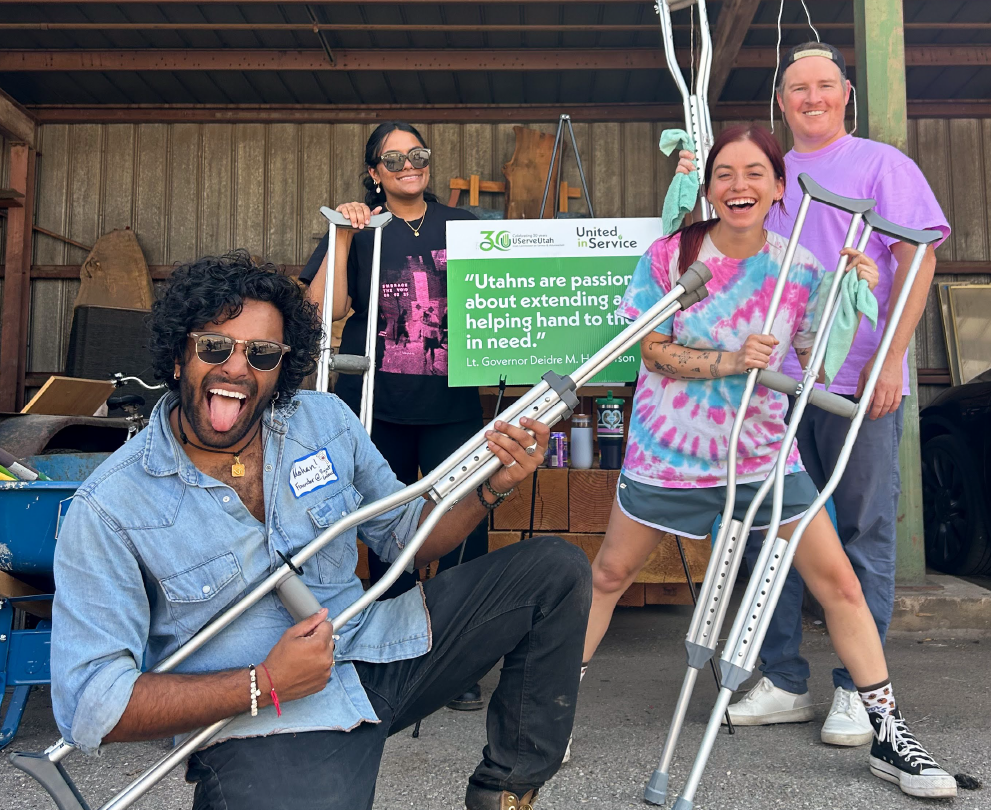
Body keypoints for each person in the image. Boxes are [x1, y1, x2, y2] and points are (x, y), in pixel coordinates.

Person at [50, 252, 590, 810]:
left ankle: (505, 793)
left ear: (283, 365)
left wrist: (489, 487)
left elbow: (406, 534)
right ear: (178, 353)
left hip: (377, 647)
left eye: (261, 354)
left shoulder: (324, 421)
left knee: (555, 572)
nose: (237, 369)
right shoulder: (111, 505)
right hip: (264, 720)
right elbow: (90, 702)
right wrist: (263, 682)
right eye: (215, 347)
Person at [579, 125, 956, 799]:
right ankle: (549, 710)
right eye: (724, 174)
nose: (738, 186)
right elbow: (651, 348)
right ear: (708, 188)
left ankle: (887, 731)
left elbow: (813, 362)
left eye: (755, 173)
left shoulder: (798, 269)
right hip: (668, 453)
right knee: (608, 574)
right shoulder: (671, 256)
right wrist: (729, 360)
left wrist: (850, 295)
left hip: (758, 455)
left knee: (838, 583)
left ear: (779, 188)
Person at [675, 41, 951, 751]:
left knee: (861, 528)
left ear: (846, 94)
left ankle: (861, 694)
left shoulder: (883, 166)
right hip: (774, 382)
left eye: (824, 86)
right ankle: (783, 680)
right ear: (781, 100)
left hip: (856, 380)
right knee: (771, 525)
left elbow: (915, 262)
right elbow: (724, 255)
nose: (811, 99)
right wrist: (687, 188)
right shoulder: (767, 173)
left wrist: (891, 360)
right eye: (797, 88)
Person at [302, 121, 488, 711]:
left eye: (418, 154)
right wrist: (341, 234)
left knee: (463, 526)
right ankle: (400, 656)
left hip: (452, 404)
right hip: (378, 406)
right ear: (373, 173)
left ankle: (460, 659)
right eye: (394, 157)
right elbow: (321, 309)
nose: (409, 164)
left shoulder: (463, 225)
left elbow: (508, 290)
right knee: (389, 533)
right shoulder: (359, 229)